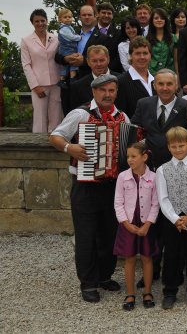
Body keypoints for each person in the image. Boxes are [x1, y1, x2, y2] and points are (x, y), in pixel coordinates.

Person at [49, 74, 126, 302]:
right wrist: (69, 148)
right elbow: (55, 136)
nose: (107, 94)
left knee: (109, 233)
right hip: (84, 186)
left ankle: (104, 275)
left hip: (112, 185)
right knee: (86, 235)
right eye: (103, 90)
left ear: (116, 92)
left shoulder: (122, 117)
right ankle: (88, 283)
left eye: (111, 90)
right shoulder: (81, 114)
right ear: (94, 92)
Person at [155, 126, 187, 309]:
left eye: (181, 145)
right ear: (169, 147)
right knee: (171, 255)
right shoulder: (162, 170)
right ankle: (170, 290)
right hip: (172, 220)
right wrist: (175, 219)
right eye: (174, 146)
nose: (178, 150)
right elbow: (162, 197)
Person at [113, 141, 159, 311]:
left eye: (134, 156)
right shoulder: (122, 177)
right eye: (128, 157)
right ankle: (130, 293)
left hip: (146, 224)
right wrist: (126, 224)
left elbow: (156, 204)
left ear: (144, 157)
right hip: (128, 224)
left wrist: (148, 224)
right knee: (129, 258)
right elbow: (118, 203)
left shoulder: (154, 177)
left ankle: (147, 292)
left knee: (147, 258)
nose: (130, 160)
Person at [20, 8, 62, 132]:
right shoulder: (26, 40)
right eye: (37, 21)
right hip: (39, 85)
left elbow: (60, 59)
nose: (40, 23)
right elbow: (26, 65)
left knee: (56, 117)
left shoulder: (55, 38)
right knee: (40, 118)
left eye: (42, 20)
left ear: (47, 21)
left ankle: (55, 141)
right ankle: (38, 142)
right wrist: (35, 86)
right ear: (32, 23)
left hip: (56, 83)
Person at [115, 36, 155, 118]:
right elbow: (120, 115)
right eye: (137, 53)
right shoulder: (121, 82)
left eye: (145, 53)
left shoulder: (156, 80)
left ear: (150, 55)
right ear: (130, 56)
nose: (142, 57)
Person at [69, 45, 114, 111]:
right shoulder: (78, 87)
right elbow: (75, 113)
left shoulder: (121, 81)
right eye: (94, 61)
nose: (98, 64)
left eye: (102, 60)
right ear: (88, 62)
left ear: (108, 60)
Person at [56, 8, 82, 85]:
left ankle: (62, 80)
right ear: (60, 19)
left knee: (65, 65)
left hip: (67, 49)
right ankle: (73, 78)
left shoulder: (68, 27)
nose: (68, 18)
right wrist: (79, 37)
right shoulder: (64, 28)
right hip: (67, 49)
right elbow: (71, 37)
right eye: (65, 17)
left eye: (69, 17)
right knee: (74, 62)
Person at [147, 8, 176, 75]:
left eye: (162, 18)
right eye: (156, 18)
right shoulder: (147, 39)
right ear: (152, 21)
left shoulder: (173, 38)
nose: (159, 20)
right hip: (152, 74)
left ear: (165, 20)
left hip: (169, 74)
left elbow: (176, 61)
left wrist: (178, 77)